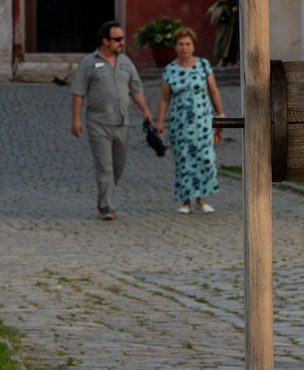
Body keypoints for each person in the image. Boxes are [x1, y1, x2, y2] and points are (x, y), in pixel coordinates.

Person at [67, 21, 154, 221]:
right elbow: (78, 93)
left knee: (118, 166)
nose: (121, 43)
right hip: (98, 123)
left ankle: (105, 197)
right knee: (105, 166)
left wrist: (145, 110)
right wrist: (76, 120)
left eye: (122, 39)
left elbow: (135, 89)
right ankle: (107, 206)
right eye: (117, 39)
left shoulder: (126, 63)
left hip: (122, 123)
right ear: (105, 41)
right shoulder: (88, 63)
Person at [160, 27, 227, 214]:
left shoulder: (204, 65)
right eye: (180, 44)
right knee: (184, 161)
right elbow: (164, 98)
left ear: (193, 45)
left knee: (205, 158)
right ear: (175, 46)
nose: (184, 48)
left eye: (188, 44)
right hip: (180, 123)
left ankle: (202, 199)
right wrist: (159, 122)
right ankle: (186, 202)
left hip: (202, 121)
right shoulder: (170, 70)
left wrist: (220, 113)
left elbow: (214, 90)